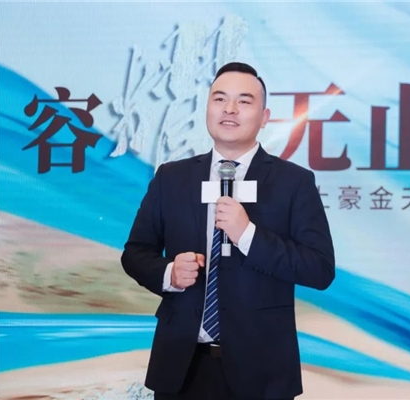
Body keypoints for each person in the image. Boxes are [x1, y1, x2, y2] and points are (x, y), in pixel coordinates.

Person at [121, 61, 335, 400]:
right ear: (207, 108)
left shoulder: (294, 183)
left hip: (262, 372)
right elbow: (135, 253)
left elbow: (319, 269)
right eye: (219, 99)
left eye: (244, 101)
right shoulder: (171, 178)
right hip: (181, 368)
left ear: (264, 117)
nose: (230, 109)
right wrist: (169, 273)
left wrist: (247, 234)